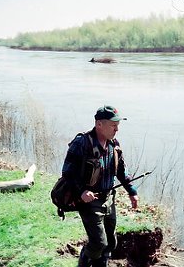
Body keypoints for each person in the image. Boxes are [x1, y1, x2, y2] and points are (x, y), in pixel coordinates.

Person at [61, 105, 139, 267]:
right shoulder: (82, 143)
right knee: (99, 244)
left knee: (111, 243)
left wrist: (132, 191)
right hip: (90, 202)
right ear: (99, 124)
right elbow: (67, 173)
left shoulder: (114, 144)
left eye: (118, 125)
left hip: (109, 199)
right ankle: (84, 259)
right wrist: (82, 191)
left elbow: (122, 171)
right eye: (113, 125)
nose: (117, 129)